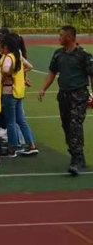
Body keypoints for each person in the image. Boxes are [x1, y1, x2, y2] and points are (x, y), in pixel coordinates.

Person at [38, 25, 92, 175]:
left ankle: (76, 158)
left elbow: (92, 74)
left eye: (61, 35)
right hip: (63, 95)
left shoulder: (83, 55)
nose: (59, 38)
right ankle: (75, 153)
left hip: (79, 95)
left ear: (70, 37)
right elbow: (52, 72)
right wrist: (43, 88)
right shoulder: (58, 54)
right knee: (66, 125)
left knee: (75, 124)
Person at [0, 33, 38, 158]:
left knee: (10, 121)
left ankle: (12, 146)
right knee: (21, 120)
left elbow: (5, 69)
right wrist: (18, 73)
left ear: (5, 46)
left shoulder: (8, 57)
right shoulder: (18, 55)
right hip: (19, 91)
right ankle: (31, 145)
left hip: (9, 91)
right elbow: (29, 66)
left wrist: (9, 74)